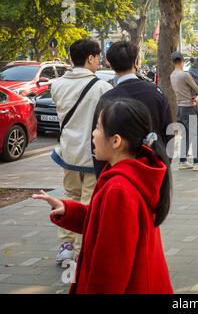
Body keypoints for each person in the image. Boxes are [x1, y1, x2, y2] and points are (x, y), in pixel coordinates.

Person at [34, 99, 173, 294]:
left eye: (98, 128)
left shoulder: (119, 189)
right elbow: (104, 225)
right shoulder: (133, 174)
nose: (93, 134)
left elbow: (110, 268)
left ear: (116, 141)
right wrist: (69, 210)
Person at [50, 39, 113, 264]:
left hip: (68, 155)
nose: (99, 61)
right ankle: (80, 251)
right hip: (92, 156)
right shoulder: (103, 87)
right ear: (90, 58)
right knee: (88, 204)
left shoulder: (56, 85)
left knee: (68, 197)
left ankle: (65, 245)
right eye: (97, 57)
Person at [93, 41, 173, 177]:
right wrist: (163, 166)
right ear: (136, 62)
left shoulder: (106, 99)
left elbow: (99, 142)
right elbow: (169, 134)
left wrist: (103, 177)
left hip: (119, 174)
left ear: (110, 64)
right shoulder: (156, 93)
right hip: (152, 170)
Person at [170, 51, 198, 171]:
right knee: (195, 134)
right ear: (183, 61)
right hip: (189, 107)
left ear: (172, 62)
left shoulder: (172, 75)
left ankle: (183, 161)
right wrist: (197, 95)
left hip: (180, 108)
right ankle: (197, 162)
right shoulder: (185, 75)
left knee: (185, 135)